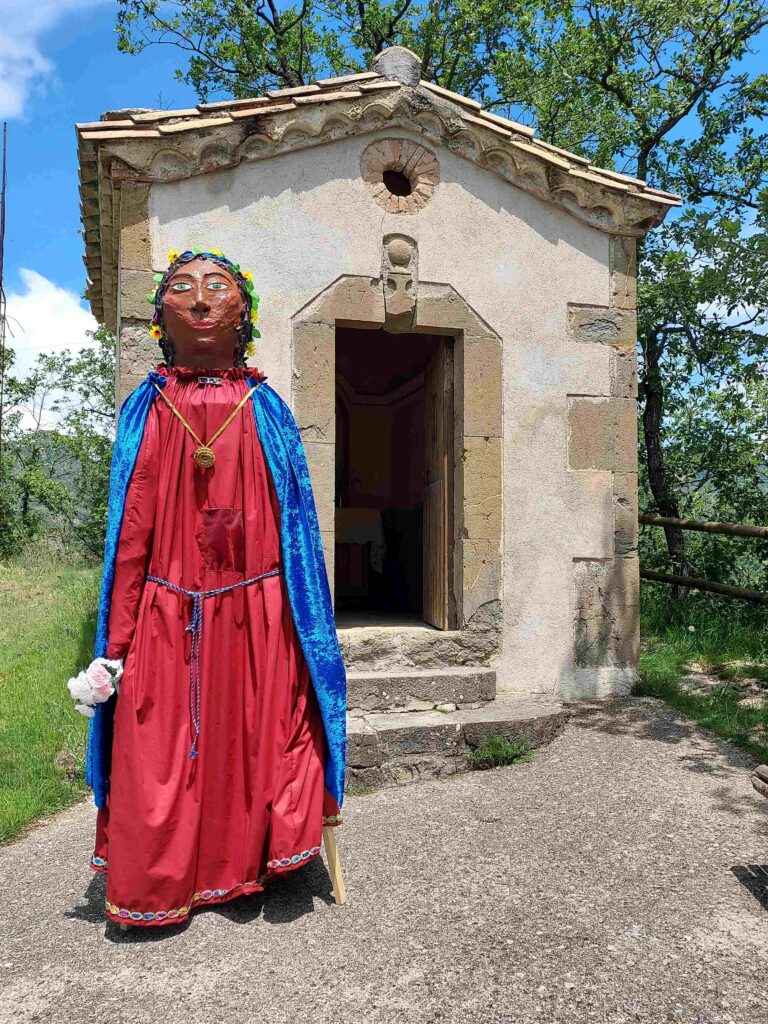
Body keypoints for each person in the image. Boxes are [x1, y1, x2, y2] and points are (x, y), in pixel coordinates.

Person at [78, 248, 346, 928]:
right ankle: (165, 881)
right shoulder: (147, 408)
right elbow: (131, 536)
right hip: (167, 614)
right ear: (160, 314)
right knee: (159, 746)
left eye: (217, 287)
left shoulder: (268, 409)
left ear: (243, 312)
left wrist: (298, 628)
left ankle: (253, 864)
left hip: (260, 615)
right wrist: (116, 645)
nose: (200, 300)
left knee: (255, 740)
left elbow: (295, 532)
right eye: (182, 287)